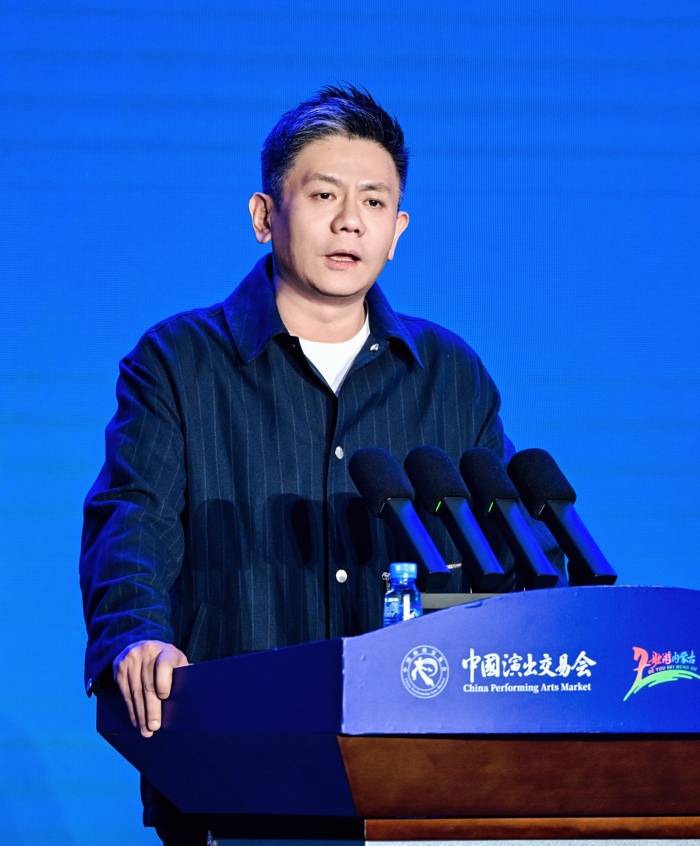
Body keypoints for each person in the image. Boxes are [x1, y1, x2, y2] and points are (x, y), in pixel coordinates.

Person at [80, 84, 527, 838]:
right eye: (324, 195)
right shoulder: (179, 363)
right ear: (265, 216)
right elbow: (134, 519)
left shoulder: (450, 375)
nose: (351, 220)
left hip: (422, 779)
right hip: (233, 767)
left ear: (398, 230)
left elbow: (506, 549)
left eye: (375, 202)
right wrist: (135, 636)